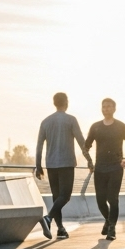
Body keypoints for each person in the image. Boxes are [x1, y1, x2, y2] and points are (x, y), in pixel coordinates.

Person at [34, 92, 89, 240]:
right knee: (65, 196)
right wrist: (89, 159)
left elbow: (39, 145)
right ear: (66, 102)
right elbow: (81, 141)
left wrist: (38, 166)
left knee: (57, 196)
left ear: (54, 103)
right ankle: (49, 218)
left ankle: (60, 229)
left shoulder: (46, 122)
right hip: (66, 163)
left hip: (51, 164)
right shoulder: (71, 120)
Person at [85, 97, 125, 240]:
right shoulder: (95, 127)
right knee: (100, 200)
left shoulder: (121, 126)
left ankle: (112, 228)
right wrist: (89, 160)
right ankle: (108, 220)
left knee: (112, 199)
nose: (106, 109)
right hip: (99, 168)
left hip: (115, 167)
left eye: (108, 106)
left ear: (114, 109)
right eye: (104, 106)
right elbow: (87, 145)